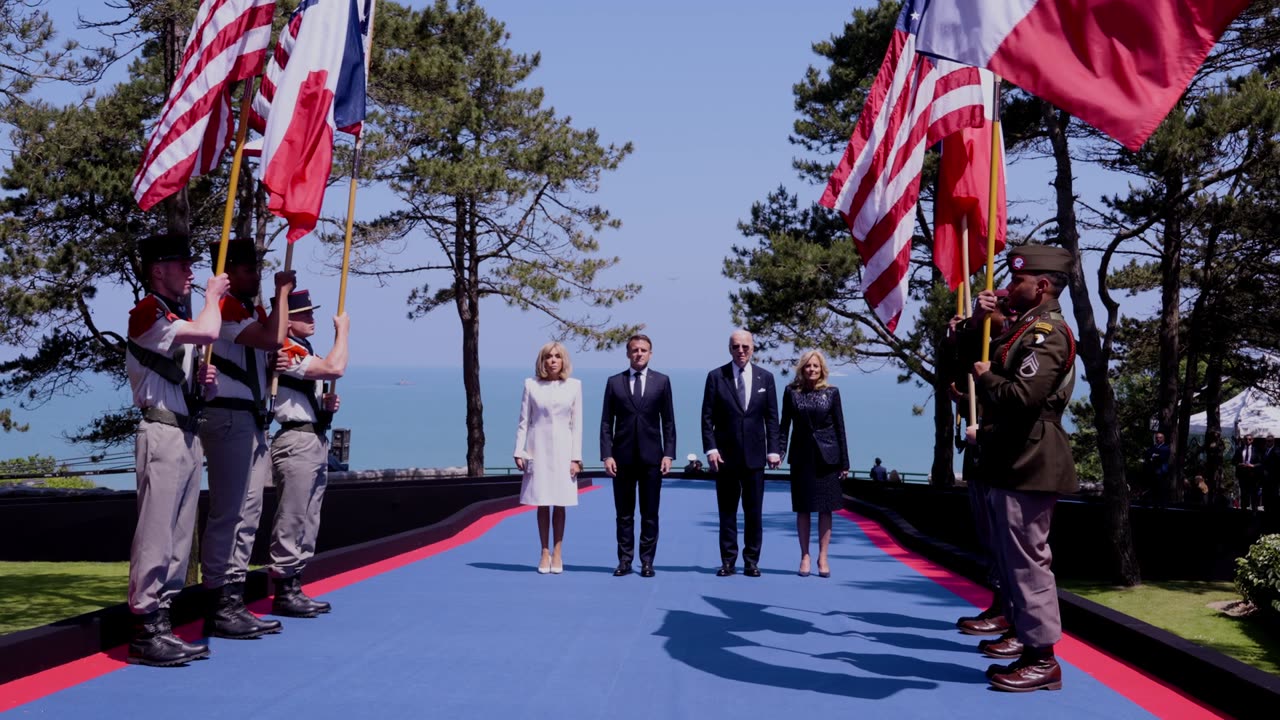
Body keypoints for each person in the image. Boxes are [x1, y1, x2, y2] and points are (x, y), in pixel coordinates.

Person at [960, 245, 1078, 692]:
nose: (1010, 288)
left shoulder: (1048, 332)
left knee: (1028, 563)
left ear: (1042, 285)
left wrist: (987, 376)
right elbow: (978, 351)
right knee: (1011, 562)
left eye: (1018, 282)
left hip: (1030, 458)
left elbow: (1022, 397)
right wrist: (979, 320)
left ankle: (1042, 658)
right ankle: (1026, 643)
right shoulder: (1025, 327)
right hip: (1011, 457)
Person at [125, 232, 228, 666]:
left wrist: (198, 384)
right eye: (180, 264)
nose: (190, 270)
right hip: (163, 433)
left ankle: (163, 619)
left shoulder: (171, 315)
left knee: (180, 534)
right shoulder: (148, 310)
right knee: (156, 532)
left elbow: (183, 362)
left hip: (185, 432)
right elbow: (207, 330)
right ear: (157, 270)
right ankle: (145, 626)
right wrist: (214, 296)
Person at [198, 239, 290, 639]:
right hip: (228, 416)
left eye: (256, 268)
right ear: (230, 272)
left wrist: (275, 358)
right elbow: (271, 337)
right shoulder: (227, 307)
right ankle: (218, 599)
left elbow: (271, 346)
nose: (255, 275)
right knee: (230, 512)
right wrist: (283, 293)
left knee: (248, 513)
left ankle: (233, 596)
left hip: (249, 418)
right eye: (248, 269)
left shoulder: (250, 309)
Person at [267, 289, 349, 617]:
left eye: (311, 312)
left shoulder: (301, 349)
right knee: (293, 515)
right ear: (286, 322)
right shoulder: (283, 350)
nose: (311, 318)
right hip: (296, 440)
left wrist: (325, 408)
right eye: (303, 314)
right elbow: (334, 367)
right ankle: (284, 587)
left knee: (309, 516)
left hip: (314, 437)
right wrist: (343, 332)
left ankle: (295, 582)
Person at [701, 330, 781, 577]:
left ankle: (751, 561)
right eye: (736, 346)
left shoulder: (765, 378)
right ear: (730, 349)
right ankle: (728, 561)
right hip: (725, 458)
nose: (741, 351)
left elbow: (772, 418)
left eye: (745, 346)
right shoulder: (716, 377)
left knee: (754, 512)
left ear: (753, 348)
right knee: (727, 512)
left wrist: (774, 450)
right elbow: (707, 418)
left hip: (756, 458)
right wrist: (711, 448)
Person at [600, 334, 676, 578]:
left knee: (650, 513)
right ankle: (624, 560)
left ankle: (647, 561)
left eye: (644, 350)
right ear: (628, 353)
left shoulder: (662, 382)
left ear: (650, 353)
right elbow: (605, 423)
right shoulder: (614, 382)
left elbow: (669, 422)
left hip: (652, 459)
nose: (639, 354)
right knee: (624, 514)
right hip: (621, 460)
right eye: (635, 350)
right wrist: (607, 455)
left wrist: (669, 454)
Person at [514, 341, 583, 574]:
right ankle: (544, 551)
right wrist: (519, 450)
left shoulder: (574, 386)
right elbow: (524, 421)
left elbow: (577, 425)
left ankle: (558, 552)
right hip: (537, 448)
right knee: (542, 501)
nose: (553, 360)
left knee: (560, 502)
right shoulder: (530, 384)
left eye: (557, 356)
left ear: (563, 360)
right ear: (542, 361)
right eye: (548, 357)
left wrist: (576, 458)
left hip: (564, 449)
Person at [778, 350, 848, 578]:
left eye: (816, 366)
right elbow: (784, 425)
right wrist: (780, 451)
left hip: (828, 457)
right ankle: (805, 555)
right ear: (802, 368)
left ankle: (823, 556)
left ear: (822, 370)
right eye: (808, 366)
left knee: (826, 509)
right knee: (803, 508)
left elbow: (840, 428)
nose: (812, 370)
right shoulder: (790, 392)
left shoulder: (832, 393)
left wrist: (844, 462)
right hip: (801, 456)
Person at [1144, 431, 1172, 506]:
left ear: (1163, 439)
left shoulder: (1166, 448)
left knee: (1161, 488)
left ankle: (1162, 503)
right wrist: (1154, 455)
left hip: (1161, 471)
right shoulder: (1154, 446)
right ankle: (1154, 503)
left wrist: (1153, 456)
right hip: (1153, 471)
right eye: (1156, 438)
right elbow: (1147, 454)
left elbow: (1162, 457)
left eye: (1159, 438)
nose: (1157, 439)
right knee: (1154, 488)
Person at [1233, 435, 1260, 510]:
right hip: (1243, 476)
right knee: (1244, 495)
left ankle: (1254, 511)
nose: (1248, 441)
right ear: (1244, 440)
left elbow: (1261, 462)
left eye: (1249, 439)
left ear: (1252, 440)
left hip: (1253, 476)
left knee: (1253, 494)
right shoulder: (1239, 450)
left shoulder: (1256, 450)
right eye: (1246, 439)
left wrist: (1253, 465)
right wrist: (1239, 464)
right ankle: (1244, 510)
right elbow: (1233, 461)